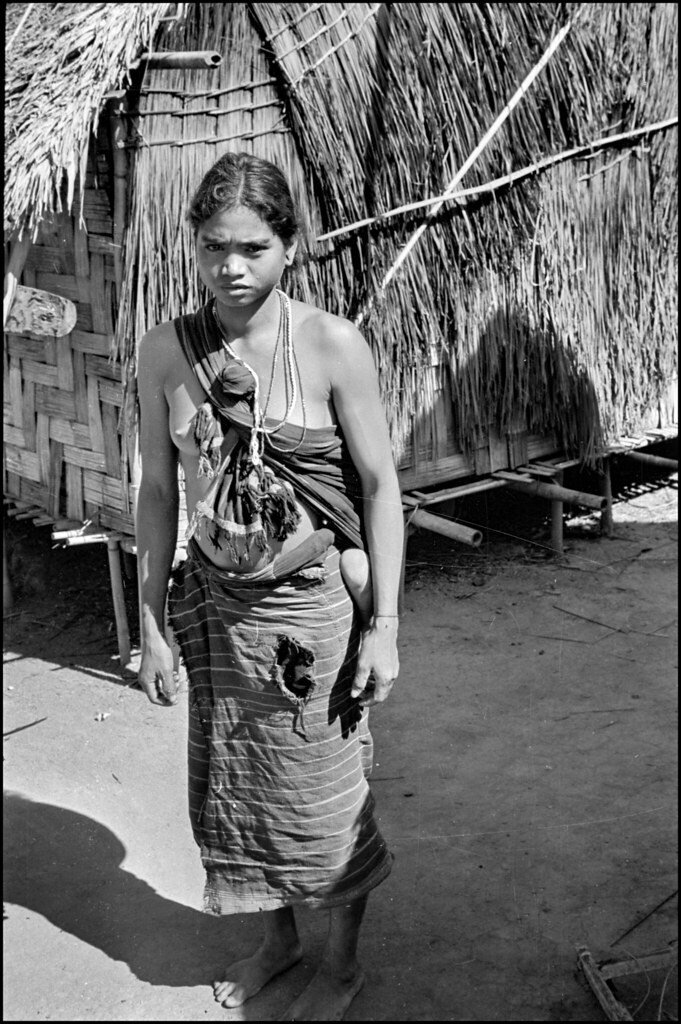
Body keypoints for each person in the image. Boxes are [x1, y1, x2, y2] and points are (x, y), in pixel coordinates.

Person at [136, 151, 404, 1021]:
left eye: (253, 246)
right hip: (216, 614)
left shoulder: (331, 345)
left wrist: (385, 625)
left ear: (291, 244)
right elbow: (155, 488)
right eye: (214, 247)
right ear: (194, 244)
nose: (232, 268)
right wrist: (149, 621)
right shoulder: (167, 354)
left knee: (326, 799)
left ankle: (340, 963)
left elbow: (377, 489)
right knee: (241, 787)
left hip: (312, 618)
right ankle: (278, 940)